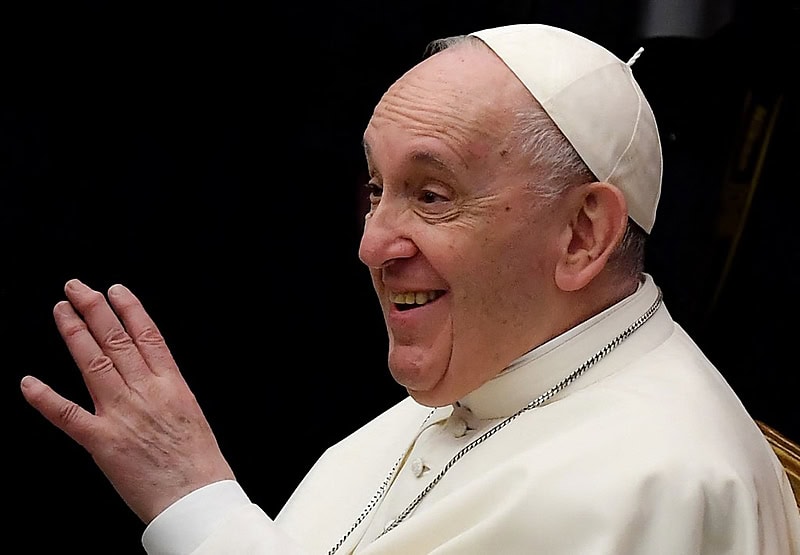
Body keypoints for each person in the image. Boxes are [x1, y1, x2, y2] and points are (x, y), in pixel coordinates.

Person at [19, 23, 800, 554]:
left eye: (431, 195)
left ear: (583, 233)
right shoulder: (499, 378)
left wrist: (195, 500)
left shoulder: (642, 481)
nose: (370, 245)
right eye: (374, 190)